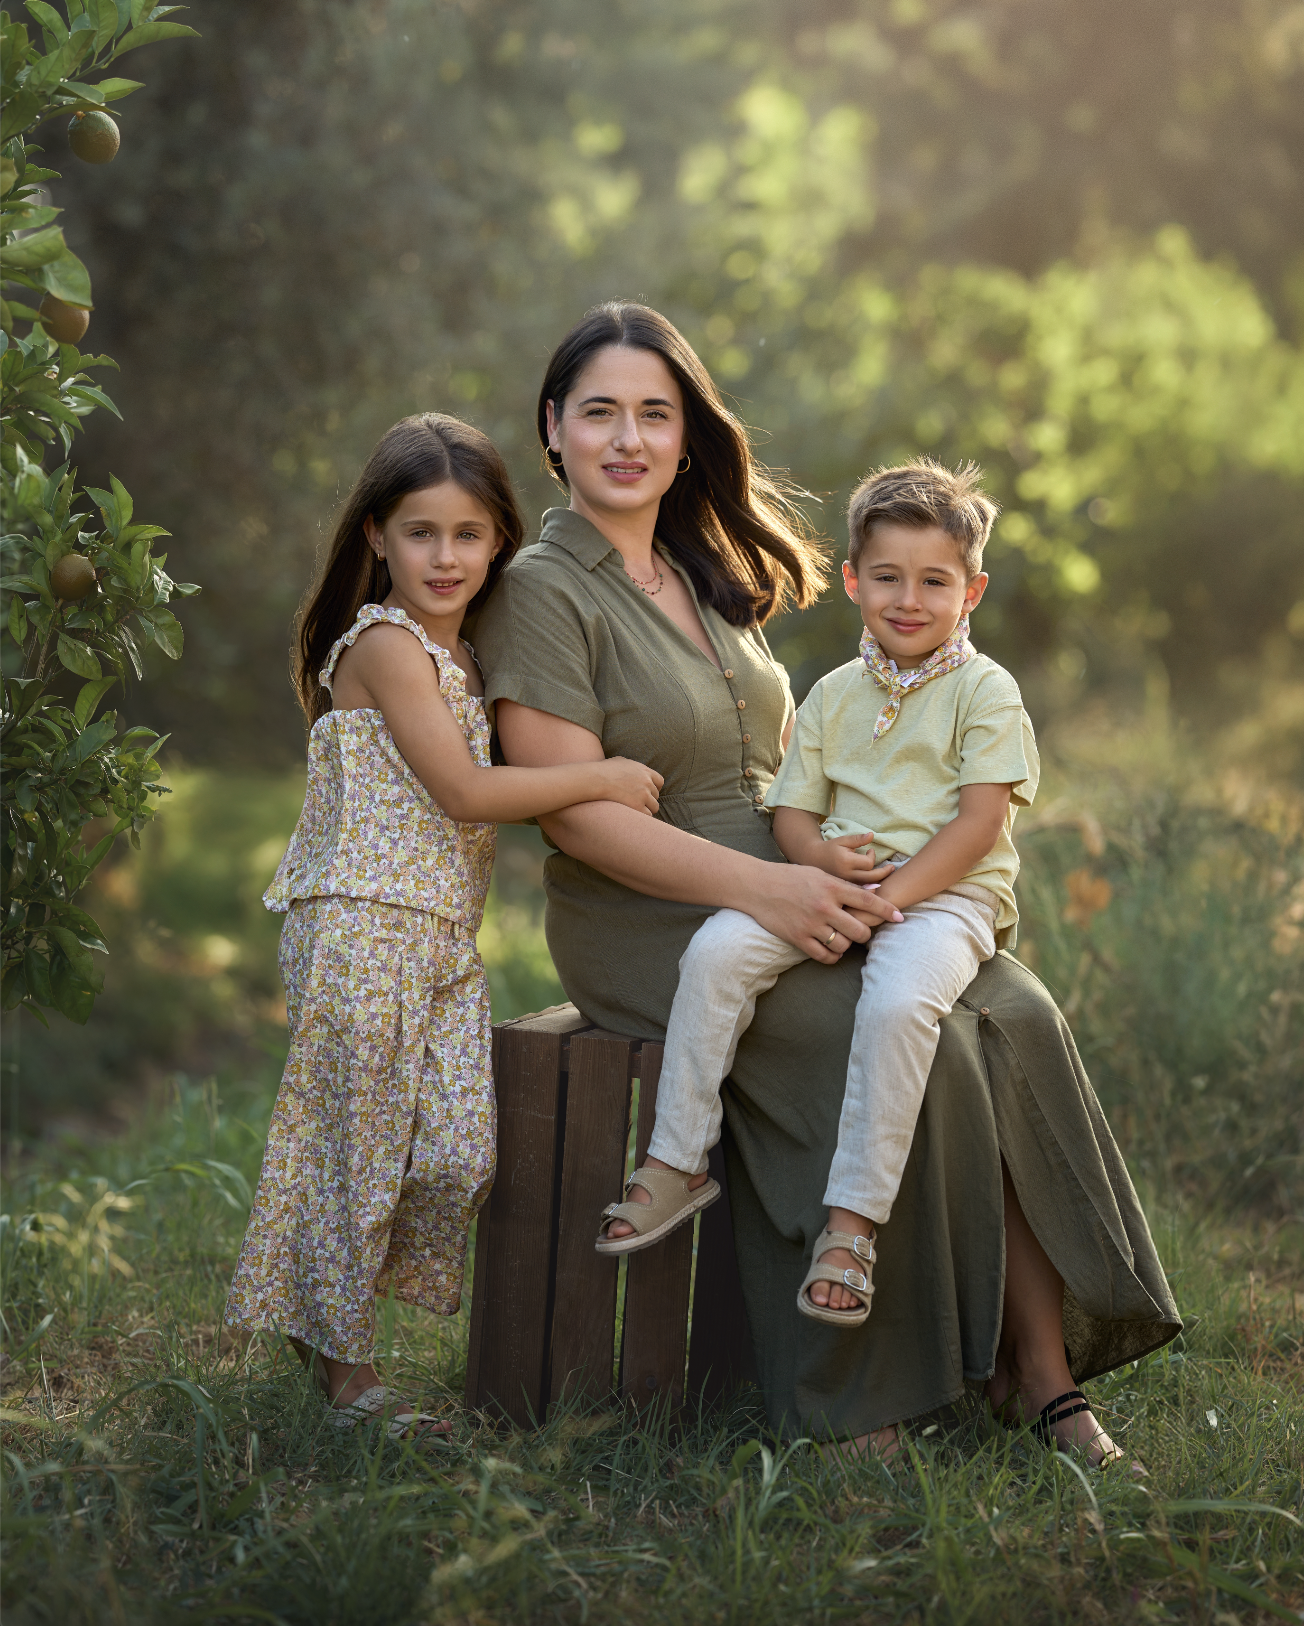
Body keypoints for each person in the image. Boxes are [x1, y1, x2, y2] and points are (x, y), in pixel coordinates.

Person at [472, 302, 1180, 1466]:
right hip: (652, 912)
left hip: (786, 877)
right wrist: (769, 893)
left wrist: (838, 867)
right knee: (896, 1036)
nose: (626, 438)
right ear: (552, 428)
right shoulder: (544, 588)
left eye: (655, 413)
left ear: (688, 435)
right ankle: (857, 1394)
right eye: (598, 411)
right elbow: (577, 815)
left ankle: (1037, 1369)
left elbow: (805, 755)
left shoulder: (695, 572)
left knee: (1005, 1013)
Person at [224, 413, 662, 1441]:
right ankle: (347, 1375)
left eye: (469, 534)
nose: (446, 556)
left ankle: (317, 1307)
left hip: (439, 939)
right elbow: (464, 789)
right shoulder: (382, 644)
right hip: (362, 923)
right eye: (421, 532)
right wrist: (597, 773)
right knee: (359, 1145)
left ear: (499, 540)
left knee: (459, 1153)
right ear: (375, 535)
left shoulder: (464, 651)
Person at [596, 460, 1037, 1343]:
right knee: (719, 948)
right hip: (839, 887)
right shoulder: (834, 694)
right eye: (887, 577)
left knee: (901, 1002)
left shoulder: (984, 692)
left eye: (934, 581)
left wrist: (894, 899)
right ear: (852, 580)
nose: (908, 599)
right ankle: (676, 1158)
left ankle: (851, 1226)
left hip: (945, 899)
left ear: (972, 591)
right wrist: (820, 865)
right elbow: (793, 814)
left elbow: (980, 823)